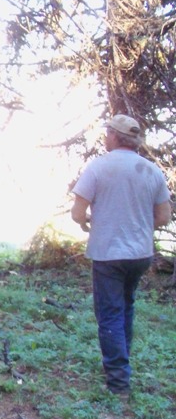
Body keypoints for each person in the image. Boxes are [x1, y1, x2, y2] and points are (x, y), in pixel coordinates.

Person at [70, 114, 171, 400]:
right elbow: (163, 216)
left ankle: (118, 382)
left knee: (110, 313)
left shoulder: (99, 167)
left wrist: (87, 221)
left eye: (107, 133)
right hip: (140, 254)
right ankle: (121, 364)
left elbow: (78, 212)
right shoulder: (151, 170)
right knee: (126, 306)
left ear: (114, 137)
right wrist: (136, 223)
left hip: (108, 253)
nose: (105, 137)